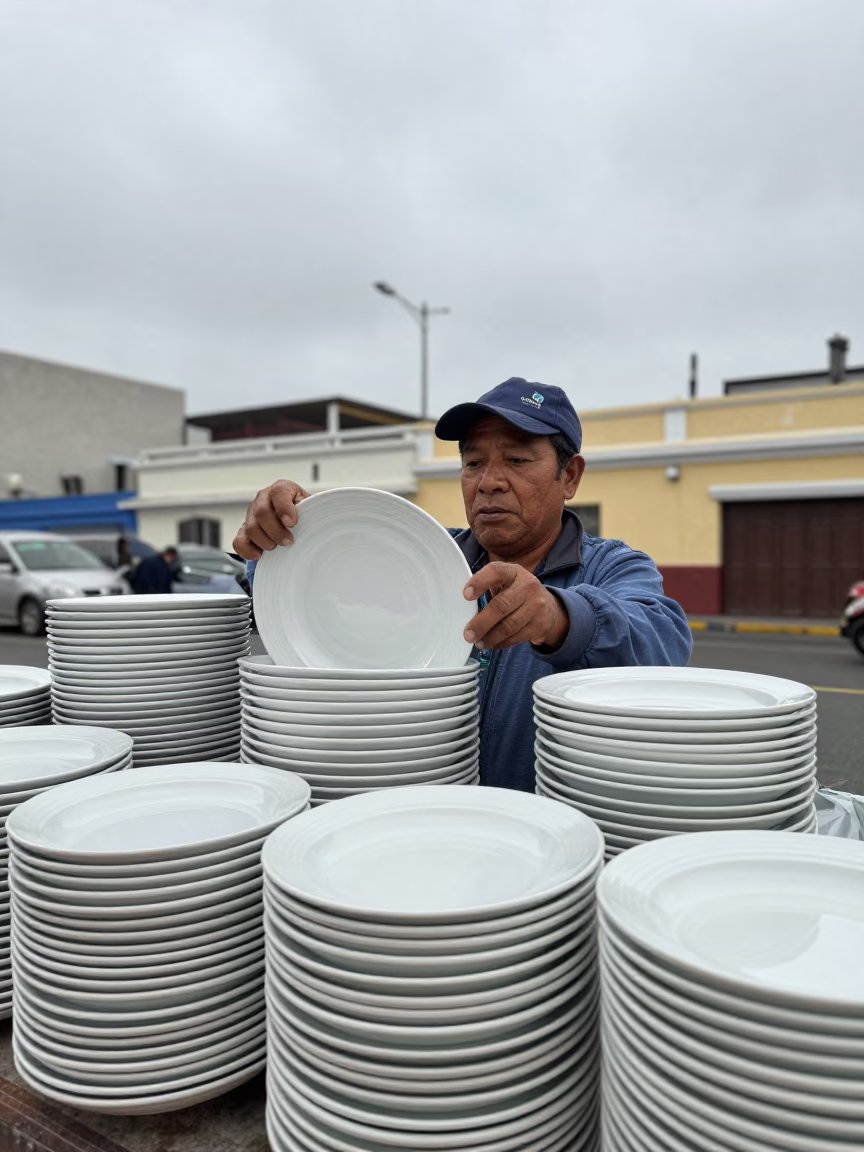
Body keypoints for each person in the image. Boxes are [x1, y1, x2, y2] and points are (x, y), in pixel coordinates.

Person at [233, 378, 692, 792]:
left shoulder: (610, 566)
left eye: (516, 459)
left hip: (548, 841)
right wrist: (284, 539)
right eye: (473, 462)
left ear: (568, 476)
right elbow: (315, 593)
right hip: (421, 819)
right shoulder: (427, 558)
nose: (489, 482)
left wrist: (558, 616)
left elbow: (662, 641)